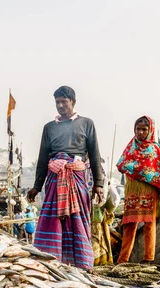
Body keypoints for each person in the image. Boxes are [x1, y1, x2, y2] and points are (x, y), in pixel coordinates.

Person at [27, 86, 104, 270]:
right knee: (52, 219)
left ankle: (81, 264)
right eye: (57, 102)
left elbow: (94, 155)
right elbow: (43, 158)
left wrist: (98, 184)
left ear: (73, 102)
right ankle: (51, 262)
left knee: (77, 218)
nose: (60, 105)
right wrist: (37, 186)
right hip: (54, 179)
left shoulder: (87, 123)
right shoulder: (49, 128)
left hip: (77, 177)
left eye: (64, 102)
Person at [116, 116, 160, 264]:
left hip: (149, 191)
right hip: (132, 191)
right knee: (129, 225)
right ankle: (122, 260)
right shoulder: (131, 146)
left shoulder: (154, 149)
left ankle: (148, 259)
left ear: (150, 130)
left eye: (144, 129)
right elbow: (121, 164)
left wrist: (138, 170)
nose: (141, 132)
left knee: (149, 225)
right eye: (138, 129)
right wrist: (144, 171)